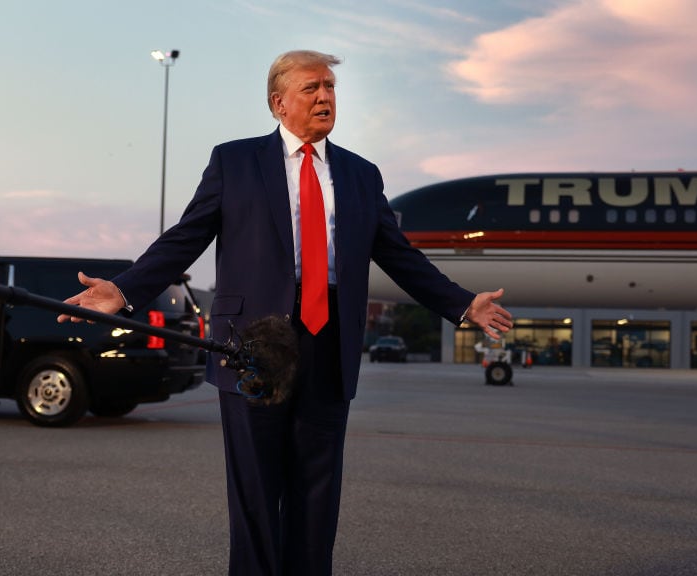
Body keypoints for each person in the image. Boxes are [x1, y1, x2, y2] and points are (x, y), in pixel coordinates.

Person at [57, 50, 512, 576]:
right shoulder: (236, 161)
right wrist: (124, 289)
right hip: (252, 344)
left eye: (331, 88)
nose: (325, 97)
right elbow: (186, 238)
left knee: (317, 495)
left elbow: (398, 255)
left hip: (329, 341)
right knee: (255, 491)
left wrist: (461, 302)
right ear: (278, 103)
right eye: (311, 88)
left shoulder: (361, 176)